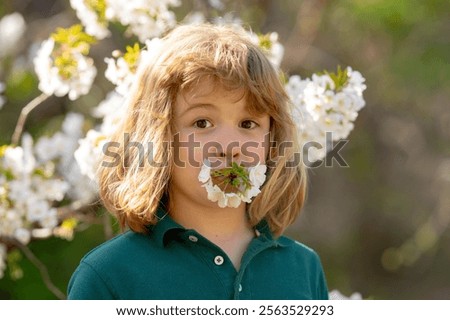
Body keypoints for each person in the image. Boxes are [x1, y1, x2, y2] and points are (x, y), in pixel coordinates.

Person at [67, 23, 329, 300]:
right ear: (159, 139)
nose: (230, 146)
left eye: (248, 123)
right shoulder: (109, 275)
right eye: (202, 123)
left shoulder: (303, 268)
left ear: (272, 143)